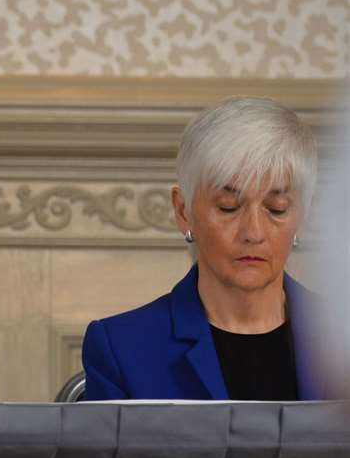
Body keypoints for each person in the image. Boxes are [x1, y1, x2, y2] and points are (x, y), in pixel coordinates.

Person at [83, 96, 322, 400]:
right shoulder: (122, 347)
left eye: (276, 209)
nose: (253, 233)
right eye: (228, 207)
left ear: (302, 217)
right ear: (183, 211)